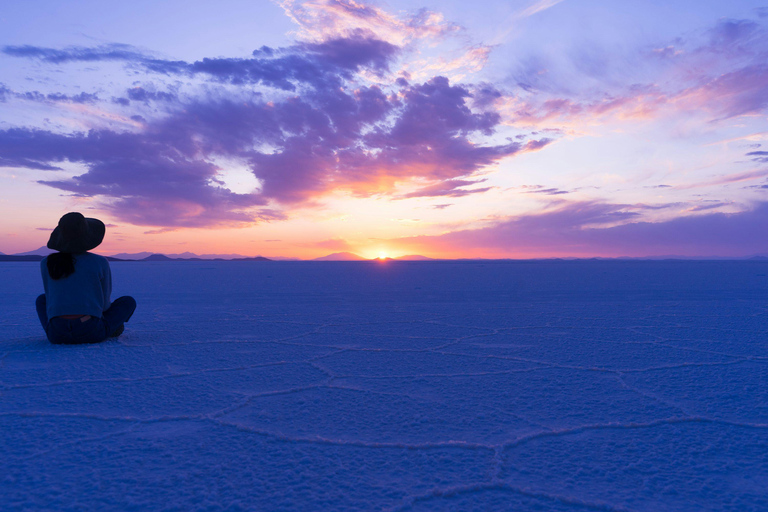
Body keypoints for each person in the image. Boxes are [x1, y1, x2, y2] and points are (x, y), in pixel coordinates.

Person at [36, 212, 136, 344]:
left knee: (42, 299)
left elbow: (50, 298)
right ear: (87, 236)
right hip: (91, 331)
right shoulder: (99, 261)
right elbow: (104, 304)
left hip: (56, 334)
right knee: (128, 302)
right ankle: (109, 328)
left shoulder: (46, 263)